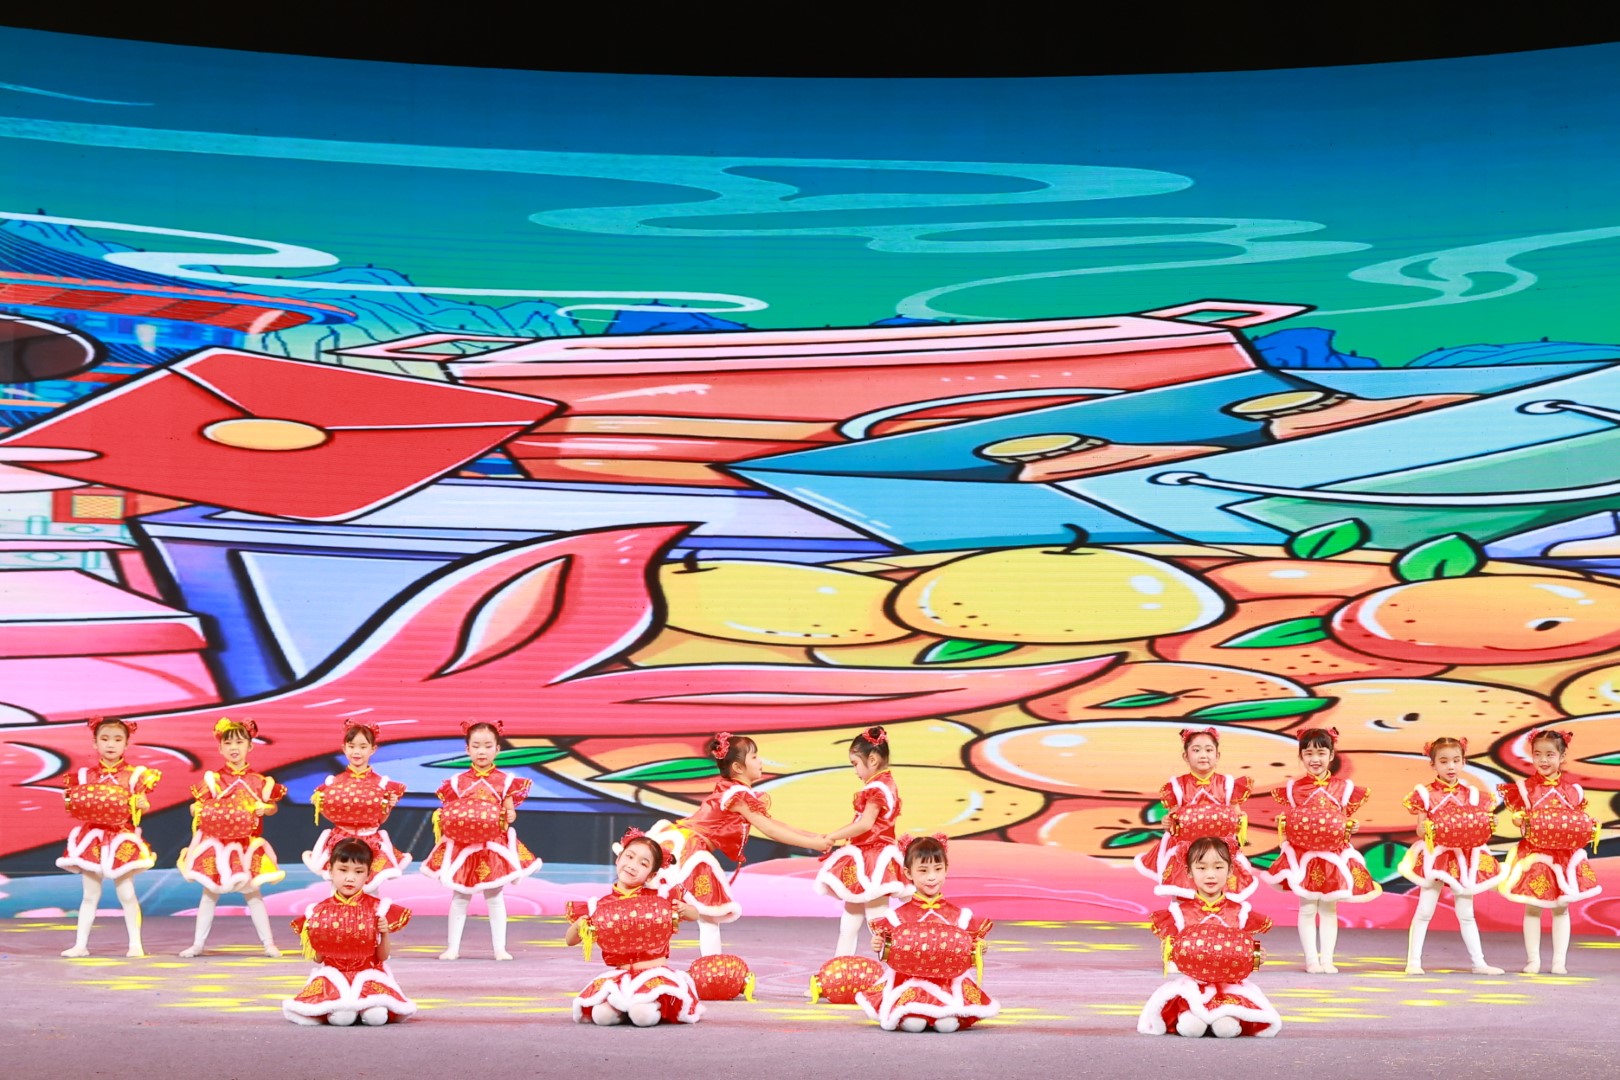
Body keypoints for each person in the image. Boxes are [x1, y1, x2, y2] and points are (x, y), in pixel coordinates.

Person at [647, 732, 830, 955]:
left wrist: (815, 837)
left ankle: (660, 958)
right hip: (689, 850)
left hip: (681, 841)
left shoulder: (731, 789)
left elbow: (774, 823)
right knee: (707, 915)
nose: (760, 761)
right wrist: (815, 844)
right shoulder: (739, 796)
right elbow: (770, 829)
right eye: (754, 757)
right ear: (737, 767)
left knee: (679, 908)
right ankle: (709, 968)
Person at [419, 718, 542, 960]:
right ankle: (453, 948)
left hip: (492, 846)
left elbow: (510, 813)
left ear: (497, 749)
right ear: (467, 749)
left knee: (494, 897)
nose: (481, 751)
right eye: (476, 746)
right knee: (460, 896)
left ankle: (500, 949)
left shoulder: (506, 781)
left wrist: (509, 815)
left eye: (487, 746)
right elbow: (449, 811)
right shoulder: (457, 782)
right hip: (463, 846)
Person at [1259, 727, 1379, 973]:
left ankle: (1327, 960)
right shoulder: (1292, 789)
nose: (1315, 759)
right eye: (1309, 753)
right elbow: (1287, 820)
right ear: (1301, 756)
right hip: (1303, 854)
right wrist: (1285, 829)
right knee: (1307, 908)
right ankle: (1311, 960)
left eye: (1321, 753)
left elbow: (1343, 819)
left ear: (1331, 755)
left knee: (1328, 908)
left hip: (1333, 856)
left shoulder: (1344, 788)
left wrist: (1351, 826)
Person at [1139, 837, 1280, 1038]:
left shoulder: (1241, 913)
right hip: (1193, 988)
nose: (1210, 875)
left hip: (1229, 988)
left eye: (1218, 867)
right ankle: (1189, 1015)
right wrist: (1169, 952)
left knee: (1226, 1029)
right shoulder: (1178, 914)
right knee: (1191, 1029)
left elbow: (1245, 950)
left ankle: (1226, 1018)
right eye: (1201, 868)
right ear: (1189, 872)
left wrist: (1256, 957)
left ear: (1230, 870)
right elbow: (1174, 952)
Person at [856, 834, 998, 1032]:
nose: (932, 877)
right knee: (914, 1024)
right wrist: (879, 946)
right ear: (908, 872)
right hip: (909, 980)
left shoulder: (959, 916)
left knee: (947, 1025)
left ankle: (939, 1012)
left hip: (947, 982)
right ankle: (914, 1011)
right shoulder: (898, 917)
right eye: (923, 871)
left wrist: (977, 951)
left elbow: (968, 951)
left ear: (946, 869)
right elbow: (889, 950)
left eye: (938, 869)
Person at [565, 829, 704, 1027]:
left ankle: (655, 1004)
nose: (632, 866)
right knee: (601, 1016)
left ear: (651, 875)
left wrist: (685, 909)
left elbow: (694, 915)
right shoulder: (600, 906)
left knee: (642, 1016)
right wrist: (580, 924)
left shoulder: (660, 899)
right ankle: (624, 1009)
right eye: (629, 857)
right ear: (618, 858)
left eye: (643, 863)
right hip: (622, 977)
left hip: (654, 974)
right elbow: (570, 940)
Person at [176, 717, 285, 958]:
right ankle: (197, 944)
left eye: (239, 742)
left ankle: (268, 944)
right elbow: (197, 805)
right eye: (228, 743)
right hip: (217, 845)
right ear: (220, 748)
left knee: (253, 894)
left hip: (245, 845)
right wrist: (196, 809)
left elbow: (272, 807)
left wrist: (266, 809)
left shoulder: (259, 781)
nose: (234, 748)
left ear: (250, 746)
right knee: (209, 893)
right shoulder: (213, 780)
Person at [1398, 737, 1506, 974]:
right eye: (1444, 761)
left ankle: (1479, 963)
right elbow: (1420, 829)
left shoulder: (1473, 795)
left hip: (1463, 858)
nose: (1451, 766)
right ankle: (1413, 962)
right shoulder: (1425, 794)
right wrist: (1425, 828)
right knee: (1425, 911)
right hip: (1436, 855)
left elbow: (1478, 828)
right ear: (1433, 764)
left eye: (1456, 761)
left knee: (1466, 914)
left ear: (1463, 762)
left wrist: (1489, 824)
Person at [1498, 728, 1602, 974]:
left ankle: (1559, 962)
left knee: (1561, 907)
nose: (1543, 760)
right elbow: (1517, 818)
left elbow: (1578, 818)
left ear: (1562, 756)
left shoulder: (1573, 790)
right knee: (1532, 905)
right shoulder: (1525, 788)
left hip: (1564, 856)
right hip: (1535, 854)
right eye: (1537, 754)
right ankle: (1533, 960)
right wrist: (1518, 819)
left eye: (1550, 755)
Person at [283, 837, 415, 1026]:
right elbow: (319, 959)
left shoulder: (378, 908)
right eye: (343, 870)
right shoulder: (318, 911)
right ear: (331, 871)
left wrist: (384, 932)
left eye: (358, 872)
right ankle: (347, 1010)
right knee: (343, 1018)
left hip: (368, 977)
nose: (350, 878)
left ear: (368, 875)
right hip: (334, 980)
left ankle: (363, 1008)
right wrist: (316, 934)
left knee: (377, 1018)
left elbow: (382, 957)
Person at [57, 716, 161, 957]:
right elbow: (75, 806)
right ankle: (80, 945)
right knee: (89, 895)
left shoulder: (135, 776)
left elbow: (142, 805)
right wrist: (72, 801)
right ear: (95, 743)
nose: (110, 744)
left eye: (117, 739)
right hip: (92, 838)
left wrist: (143, 804)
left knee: (126, 893)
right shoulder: (85, 776)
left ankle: (135, 944)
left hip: (120, 837)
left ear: (126, 744)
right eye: (104, 739)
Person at [814, 726, 912, 956]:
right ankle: (840, 964)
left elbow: (866, 824)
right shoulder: (884, 783)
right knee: (852, 917)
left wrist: (833, 836)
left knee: (876, 921)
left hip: (873, 858)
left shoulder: (878, 787)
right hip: (866, 856)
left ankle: (891, 967)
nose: (855, 770)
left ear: (873, 759)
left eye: (855, 763)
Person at [1134, 727, 1256, 902]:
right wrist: (1167, 822)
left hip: (1219, 852)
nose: (1203, 755)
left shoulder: (1228, 785)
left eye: (1209, 750)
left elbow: (1237, 818)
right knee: (1184, 899)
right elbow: (1173, 821)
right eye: (1196, 750)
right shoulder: (1177, 786)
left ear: (1217, 755)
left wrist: (1239, 821)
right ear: (1186, 756)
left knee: (1222, 901)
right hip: (1187, 853)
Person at [302, 719, 411, 894]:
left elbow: (381, 819)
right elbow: (331, 816)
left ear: (372, 749)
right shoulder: (333, 783)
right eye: (351, 746)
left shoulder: (383, 785)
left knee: (370, 890)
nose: (356, 752)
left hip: (370, 840)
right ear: (344, 748)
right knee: (338, 889)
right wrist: (321, 805)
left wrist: (388, 806)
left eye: (363, 747)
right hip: (340, 840)